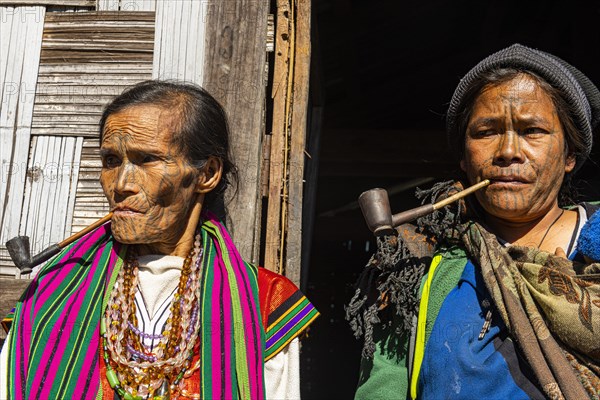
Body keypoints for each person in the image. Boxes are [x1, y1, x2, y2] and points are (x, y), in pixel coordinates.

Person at [0, 81, 319, 400]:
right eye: (112, 161)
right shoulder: (52, 294)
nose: (121, 184)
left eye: (147, 160)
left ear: (206, 174)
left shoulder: (265, 302)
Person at [347, 43, 600, 399]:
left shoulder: (595, 240)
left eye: (532, 131)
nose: (508, 152)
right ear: (464, 158)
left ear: (570, 154)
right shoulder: (418, 264)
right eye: (486, 132)